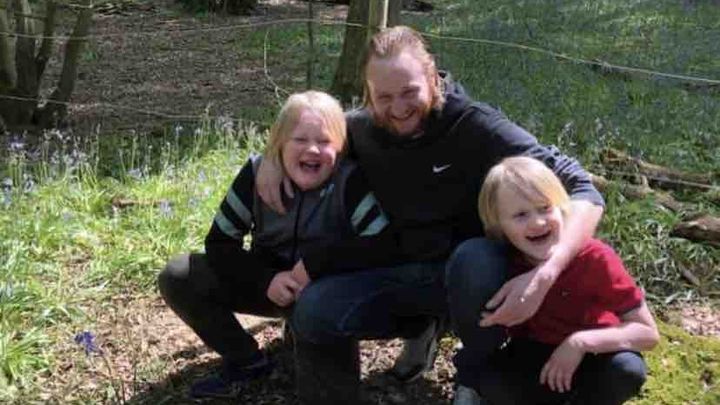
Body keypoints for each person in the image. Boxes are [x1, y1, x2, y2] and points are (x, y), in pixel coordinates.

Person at [256, 26, 605, 404]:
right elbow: (310, 134)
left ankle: (477, 376)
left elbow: (583, 188)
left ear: (432, 75)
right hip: (394, 268)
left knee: (475, 258)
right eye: (383, 97)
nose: (398, 108)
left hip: (473, 279)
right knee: (314, 309)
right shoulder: (361, 129)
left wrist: (546, 273)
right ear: (369, 93)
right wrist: (273, 157)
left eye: (409, 92)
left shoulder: (476, 126)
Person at [158, 90, 388, 399]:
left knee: (330, 393)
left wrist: (318, 267)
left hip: (324, 293)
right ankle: (246, 360)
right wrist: (266, 279)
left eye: (324, 141)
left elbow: (380, 242)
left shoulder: (349, 181)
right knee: (179, 274)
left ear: (341, 148)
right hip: (266, 284)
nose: (312, 149)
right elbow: (220, 243)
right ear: (278, 143)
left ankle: (307, 341)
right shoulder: (256, 175)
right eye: (299, 140)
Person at [460, 156, 659, 404]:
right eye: (520, 215)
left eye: (545, 208)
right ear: (499, 226)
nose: (538, 222)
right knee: (493, 381)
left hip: (596, 351)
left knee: (626, 370)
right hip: (536, 354)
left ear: (563, 207)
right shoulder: (502, 262)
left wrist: (579, 343)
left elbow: (648, 334)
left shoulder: (595, 257)